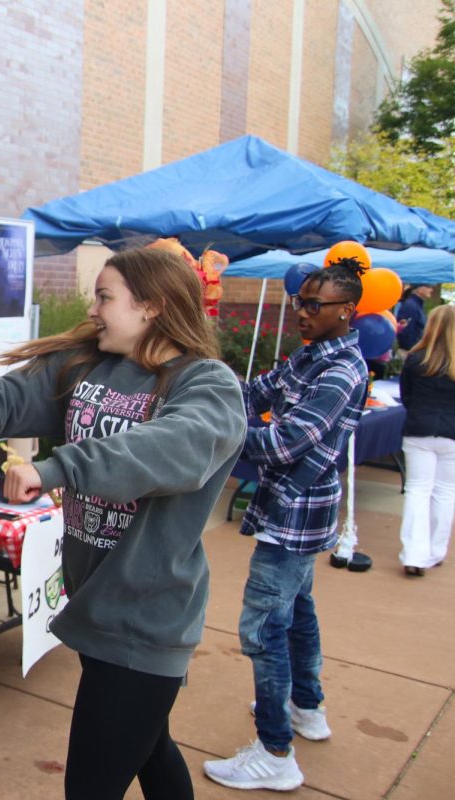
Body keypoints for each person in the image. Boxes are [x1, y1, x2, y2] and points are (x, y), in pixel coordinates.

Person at [0, 248, 247, 800]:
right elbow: (6, 394)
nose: (93, 307)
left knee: (90, 786)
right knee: (151, 750)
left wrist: (58, 469)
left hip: (145, 617)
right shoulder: (88, 367)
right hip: (94, 602)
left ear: (151, 305)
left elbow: (166, 449)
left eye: (105, 296)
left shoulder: (207, 386)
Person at [204, 261, 369, 791]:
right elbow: (256, 394)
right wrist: (213, 391)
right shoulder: (310, 355)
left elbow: (283, 441)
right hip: (291, 508)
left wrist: (206, 435)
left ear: (346, 311)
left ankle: (275, 752)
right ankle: (306, 706)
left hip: (296, 515)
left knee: (263, 627)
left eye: (314, 305)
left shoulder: (341, 371)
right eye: (301, 301)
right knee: (297, 612)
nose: (302, 312)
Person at [397, 303, 455, 576]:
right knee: (445, 492)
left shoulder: (415, 359)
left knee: (417, 491)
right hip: (452, 434)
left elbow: (406, 395)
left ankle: (414, 554)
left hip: (419, 428)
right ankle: (434, 551)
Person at [397, 284, 433, 352]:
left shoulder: (417, 305)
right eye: (428, 286)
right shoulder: (410, 306)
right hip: (409, 352)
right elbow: (406, 333)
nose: (431, 290)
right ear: (418, 289)